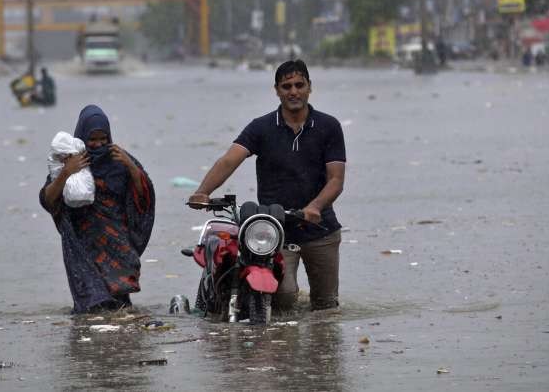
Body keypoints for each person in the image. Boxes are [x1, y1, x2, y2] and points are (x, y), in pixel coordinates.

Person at [188, 59, 346, 311]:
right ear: (277, 90)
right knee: (282, 296)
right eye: (286, 86)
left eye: (298, 85)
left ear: (309, 87)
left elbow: (336, 179)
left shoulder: (329, 126)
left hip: (321, 228)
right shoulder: (261, 127)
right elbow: (230, 159)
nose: (293, 91)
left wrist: (315, 206)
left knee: (326, 307)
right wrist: (203, 192)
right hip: (274, 230)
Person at [40, 105, 155, 313]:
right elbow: (48, 199)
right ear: (82, 137)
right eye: (92, 140)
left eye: (103, 139)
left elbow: (144, 195)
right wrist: (67, 172)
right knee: (92, 305)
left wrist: (130, 166)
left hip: (118, 244)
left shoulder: (121, 159)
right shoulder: (70, 159)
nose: (99, 144)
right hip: (83, 244)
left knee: (120, 306)